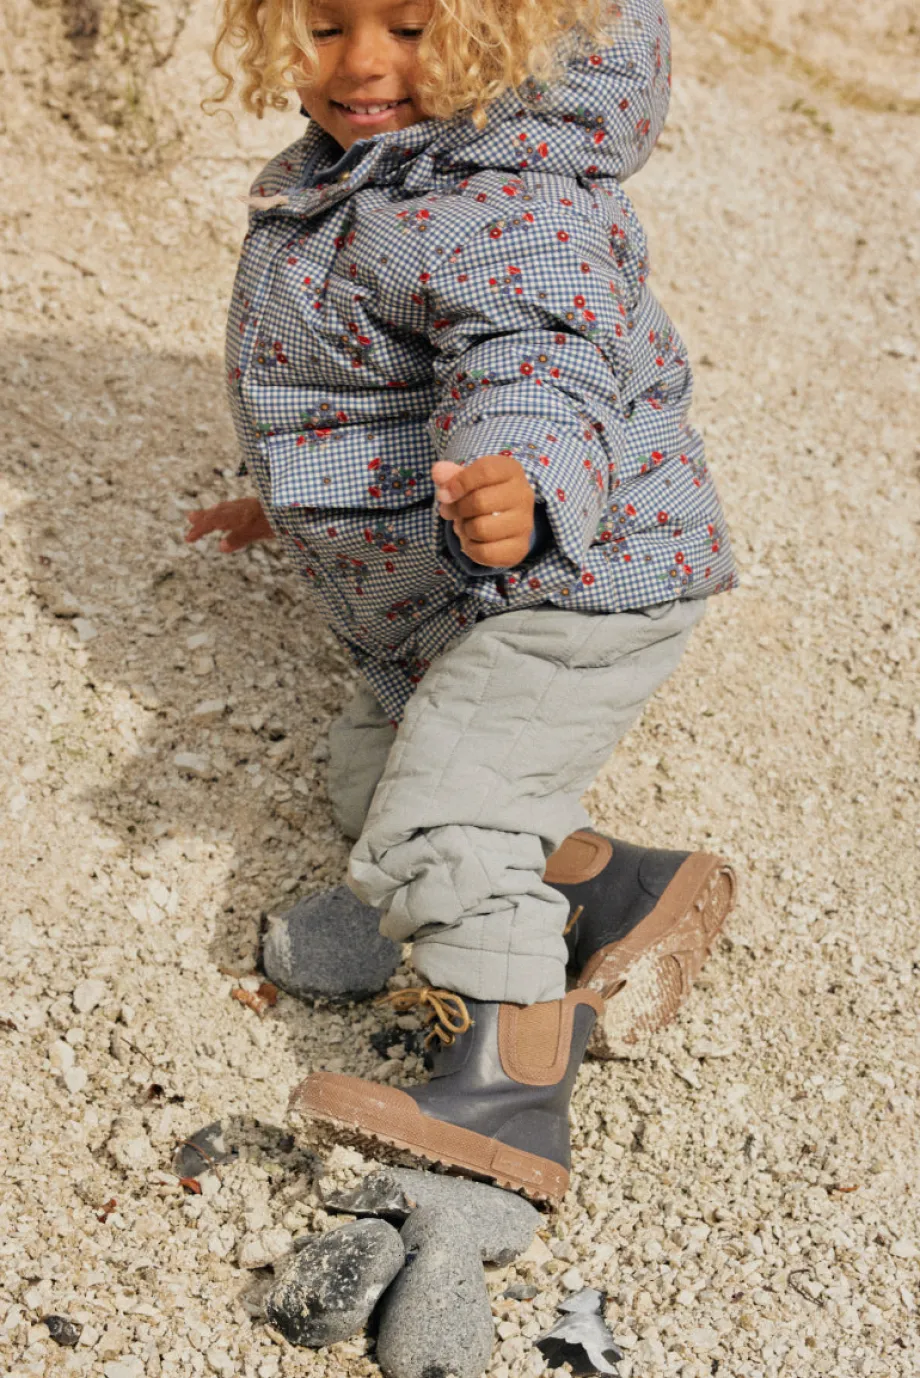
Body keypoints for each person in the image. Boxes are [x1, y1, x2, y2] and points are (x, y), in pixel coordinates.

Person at [189, 0, 740, 1202]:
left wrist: (530, 481)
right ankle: (614, 886)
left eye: (410, 27)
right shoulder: (363, 171)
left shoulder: (512, 202)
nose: (364, 64)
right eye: (326, 27)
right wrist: (272, 493)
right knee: (372, 783)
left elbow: (534, 362)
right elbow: (338, 374)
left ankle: (509, 1080)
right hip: (468, 579)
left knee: (444, 814)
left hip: (575, 572)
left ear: (504, 39)